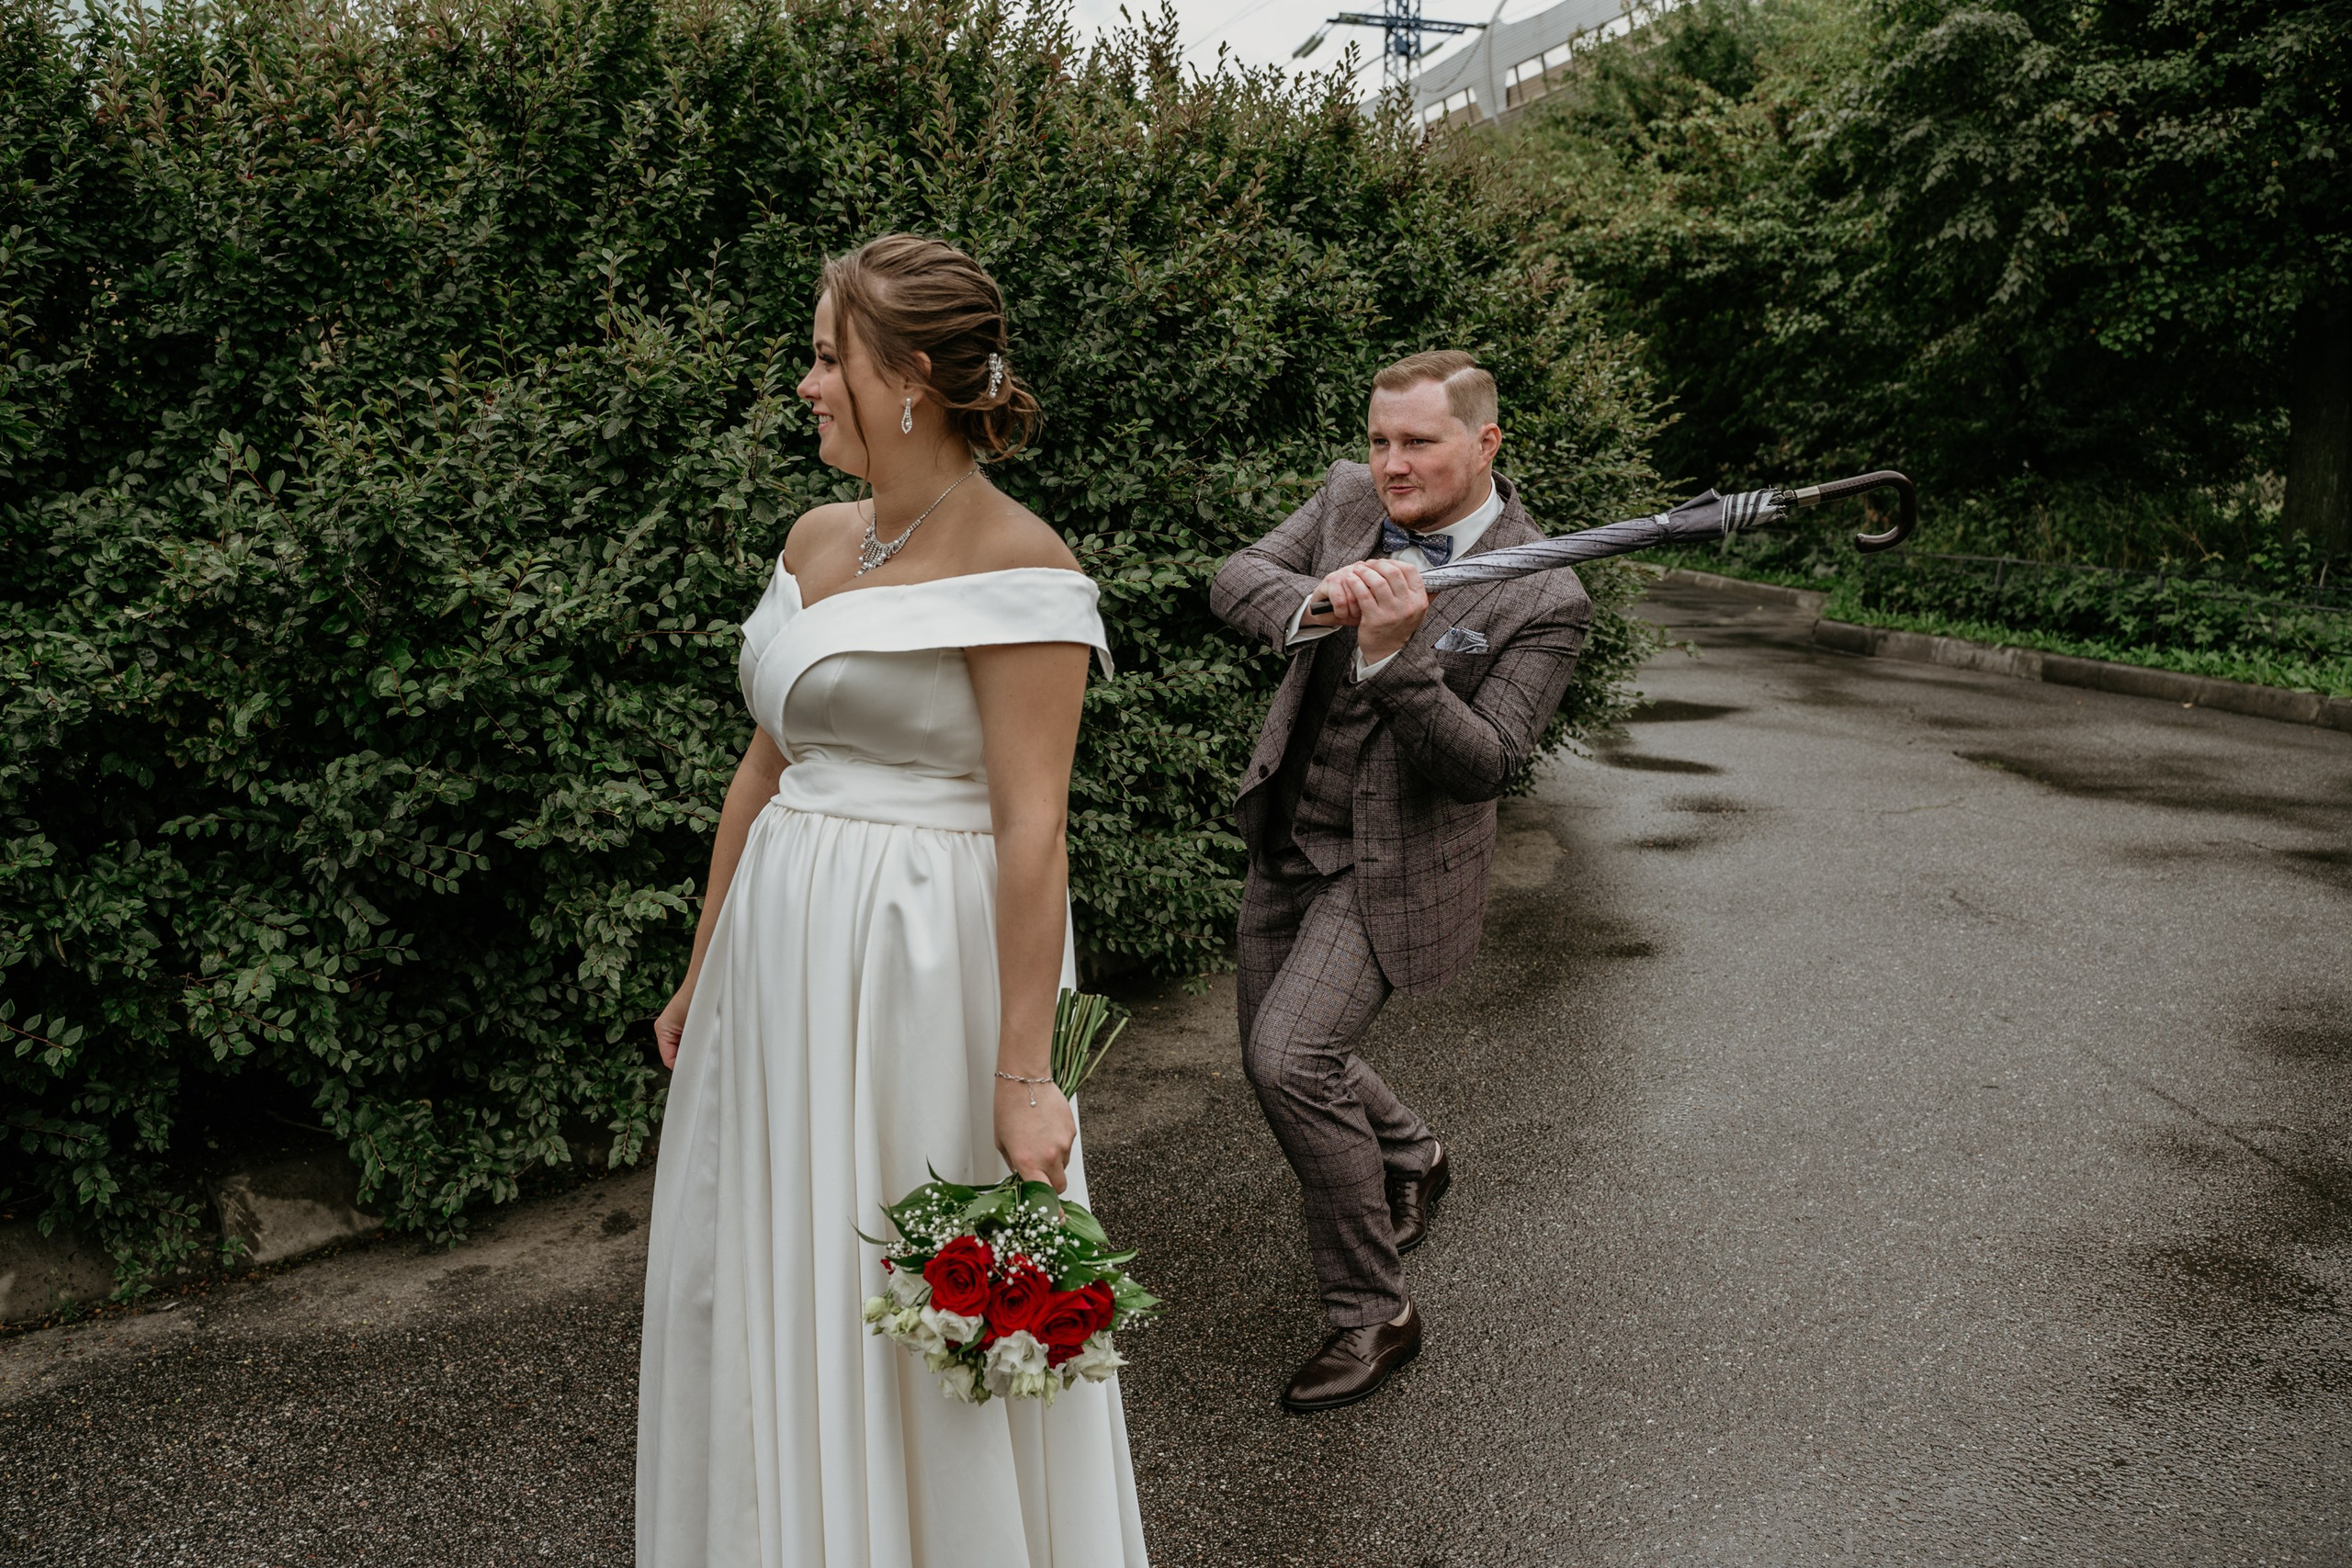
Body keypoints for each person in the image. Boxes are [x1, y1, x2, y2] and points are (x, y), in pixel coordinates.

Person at [636, 234, 1149, 1567]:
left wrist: (1028, 1076)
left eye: (825, 357)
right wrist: (702, 969)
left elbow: (1035, 827)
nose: (806, 385)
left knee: (913, 1290)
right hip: (780, 967)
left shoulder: (1021, 562)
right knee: (768, 1281)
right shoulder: (819, 537)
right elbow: (763, 771)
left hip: (922, 973)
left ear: (910, 376)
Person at [1209, 351, 1593, 1413]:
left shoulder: (1545, 591)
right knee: (1273, 1054)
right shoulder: (1342, 500)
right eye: (1381, 439)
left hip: (1396, 865)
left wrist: (1397, 652)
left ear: (1485, 444)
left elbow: (1486, 761)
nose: (1390, 463)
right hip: (1290, 827)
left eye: (1417, 442)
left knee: (1290, 1061)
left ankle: (1371, 1315)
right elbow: (1235, 580)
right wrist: (1323, 598)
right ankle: (1412, 1152)